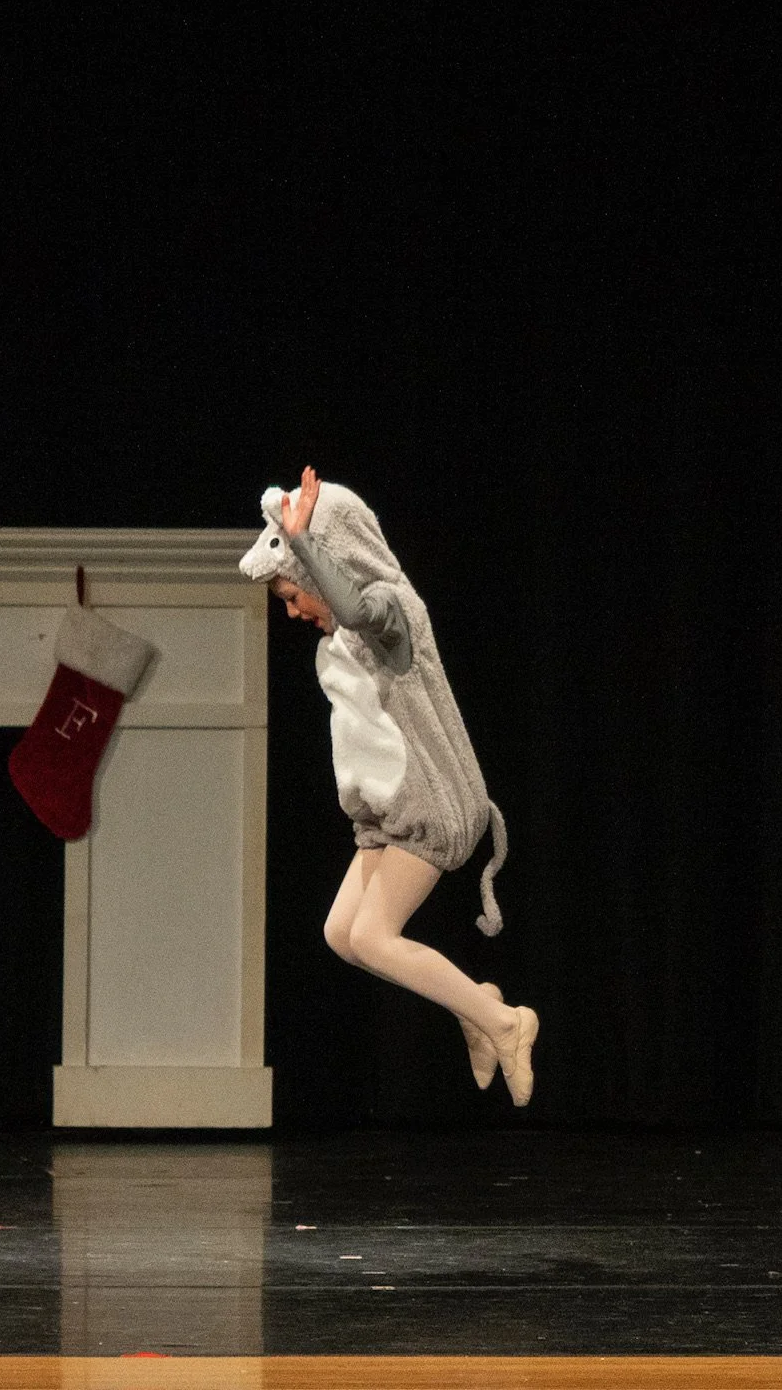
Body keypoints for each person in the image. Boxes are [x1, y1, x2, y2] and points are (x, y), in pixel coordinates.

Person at [240, 467, 540, 1105]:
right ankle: (477, 1005)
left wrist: (304, 542)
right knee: (341, 933)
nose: (293, 612)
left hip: (431, 806)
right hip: (387, 816)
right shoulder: (339, 644)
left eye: (293, 594)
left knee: (374, 937)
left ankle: (507, 1023)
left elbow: (352, 606)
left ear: (324, 566)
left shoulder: (390, 611)